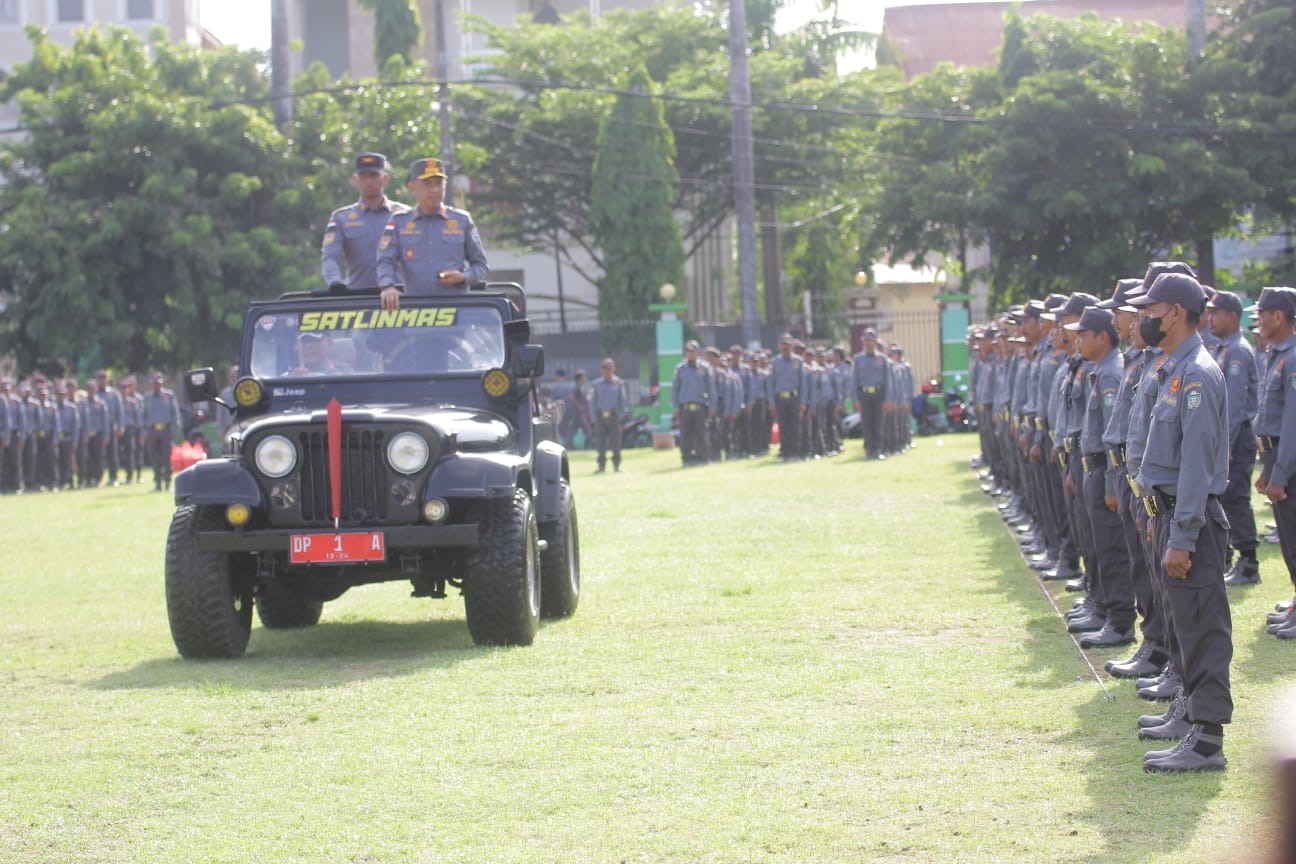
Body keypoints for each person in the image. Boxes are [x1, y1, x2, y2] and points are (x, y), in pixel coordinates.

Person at [1130, 271, 1232, 772]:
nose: (1144, 318)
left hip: (1190, 519)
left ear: (1175, 312)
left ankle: (1208, 740)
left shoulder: (1198, 375)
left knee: (1203, 626)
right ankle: (1191, 713)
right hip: (1170, 514)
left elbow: (1196, 465)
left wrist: (1183, 534)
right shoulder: (1175, 367)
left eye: (1151, 310)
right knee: (1183, 625)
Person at [376, 157, 489, 310]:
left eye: (438, 184)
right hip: (415, 314)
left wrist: (463, 277)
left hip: (456, 315)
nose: (434, 189)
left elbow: (481, 265)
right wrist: (387, 286)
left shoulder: (462, 220)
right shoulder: (398, 222)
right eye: (427, 184)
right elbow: (385, 260)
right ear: (412, 188)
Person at [1208, 291, 1261, 586]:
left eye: (1216, 312)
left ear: (1232, 316)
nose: (1210, 317)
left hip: (1236, 437)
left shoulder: (1238, 351)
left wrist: (1225, 444)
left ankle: (1249, 561)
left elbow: (1236, 404)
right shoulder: (1222, 348)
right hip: (1227, 436)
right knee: (1226, 497)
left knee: (1236, 496)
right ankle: (1236, 556)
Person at [1251, 288, 1296, 636]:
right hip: (1276, 457)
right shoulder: (1276, 354)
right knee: (1288, 538)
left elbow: (1292, 423)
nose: (1258, 320)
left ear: (1278, 317)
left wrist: (1279, 473)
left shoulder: (1292, 356)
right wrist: (1267, 469)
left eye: (1262, 313)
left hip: (1290, 462)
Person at [321, 152, 408, 293]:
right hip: (358, 298)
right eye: (363, 176)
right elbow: (330, 255)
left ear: (385, 178)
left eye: (373, 176)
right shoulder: (341, 218)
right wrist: (335, 282)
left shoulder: (403, 215)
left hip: (399, 296)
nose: (368, 181)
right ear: (355, 179)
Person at [673, 340, 711, 467]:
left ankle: (702, 458)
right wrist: (675, 406)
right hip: (685, 407)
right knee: (685, 434)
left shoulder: (704, 368)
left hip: (700, 406)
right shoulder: (680, 369)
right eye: (688, 351)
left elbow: (711, 389)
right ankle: (687, 459)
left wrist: (712, 405)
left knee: (701, 433)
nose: (690, 354)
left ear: (698, 352)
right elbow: (675, 389)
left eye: (693, 351)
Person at [852, 328, 888, 460]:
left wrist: (887, 398)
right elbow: (855, 380)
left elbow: (887, 379)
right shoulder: (858, 359)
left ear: (875, 341)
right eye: (865, 340)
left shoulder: (882, 359)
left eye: (870, 340)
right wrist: (855, 399)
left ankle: (878, 449)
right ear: (863, 342)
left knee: (878, 423)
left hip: (879, 394)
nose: (868, 343)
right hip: (864, 394)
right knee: (866, 423)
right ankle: (868, 450)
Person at [143, 372, 181, 491]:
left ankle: (167, 482)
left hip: (166, 430)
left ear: (162, 383)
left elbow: (175, 413)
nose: (156, 385)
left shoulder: (168, 395)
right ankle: (158, 482)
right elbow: (143, 415)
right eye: (154, 383)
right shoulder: (147, 397)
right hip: (153, 430)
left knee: (166, 457)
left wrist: (175, 429)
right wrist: (144, 432)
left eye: (158, 383)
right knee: (155, 457)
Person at [591, 358, 626, 473]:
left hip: (614, 416)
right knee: (600, 442)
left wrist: (621, 414)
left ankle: (616, 465)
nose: (607, 371)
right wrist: (593, 417)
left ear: (614, 370)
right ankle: (601, 465)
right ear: (601, 370)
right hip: (600, 417)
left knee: (615, 442)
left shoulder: (618, 383)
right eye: (605, 369)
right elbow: (593, 401)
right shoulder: (596, 384)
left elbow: (622, 399)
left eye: (610, 369)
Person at [770, 335, 802, 461]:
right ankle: (785, 453)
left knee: (794, 426)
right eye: (783, 344)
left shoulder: (798, 361)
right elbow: (771, 383)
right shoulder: (775, 362)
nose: (785, 347)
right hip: (780, 398)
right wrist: (772, 402)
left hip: (794, 397)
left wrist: (803, 401)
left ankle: (795, 452)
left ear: (791, 346)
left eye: (787, 344)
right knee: (783, 426)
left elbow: (802, 383)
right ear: (779, 346)